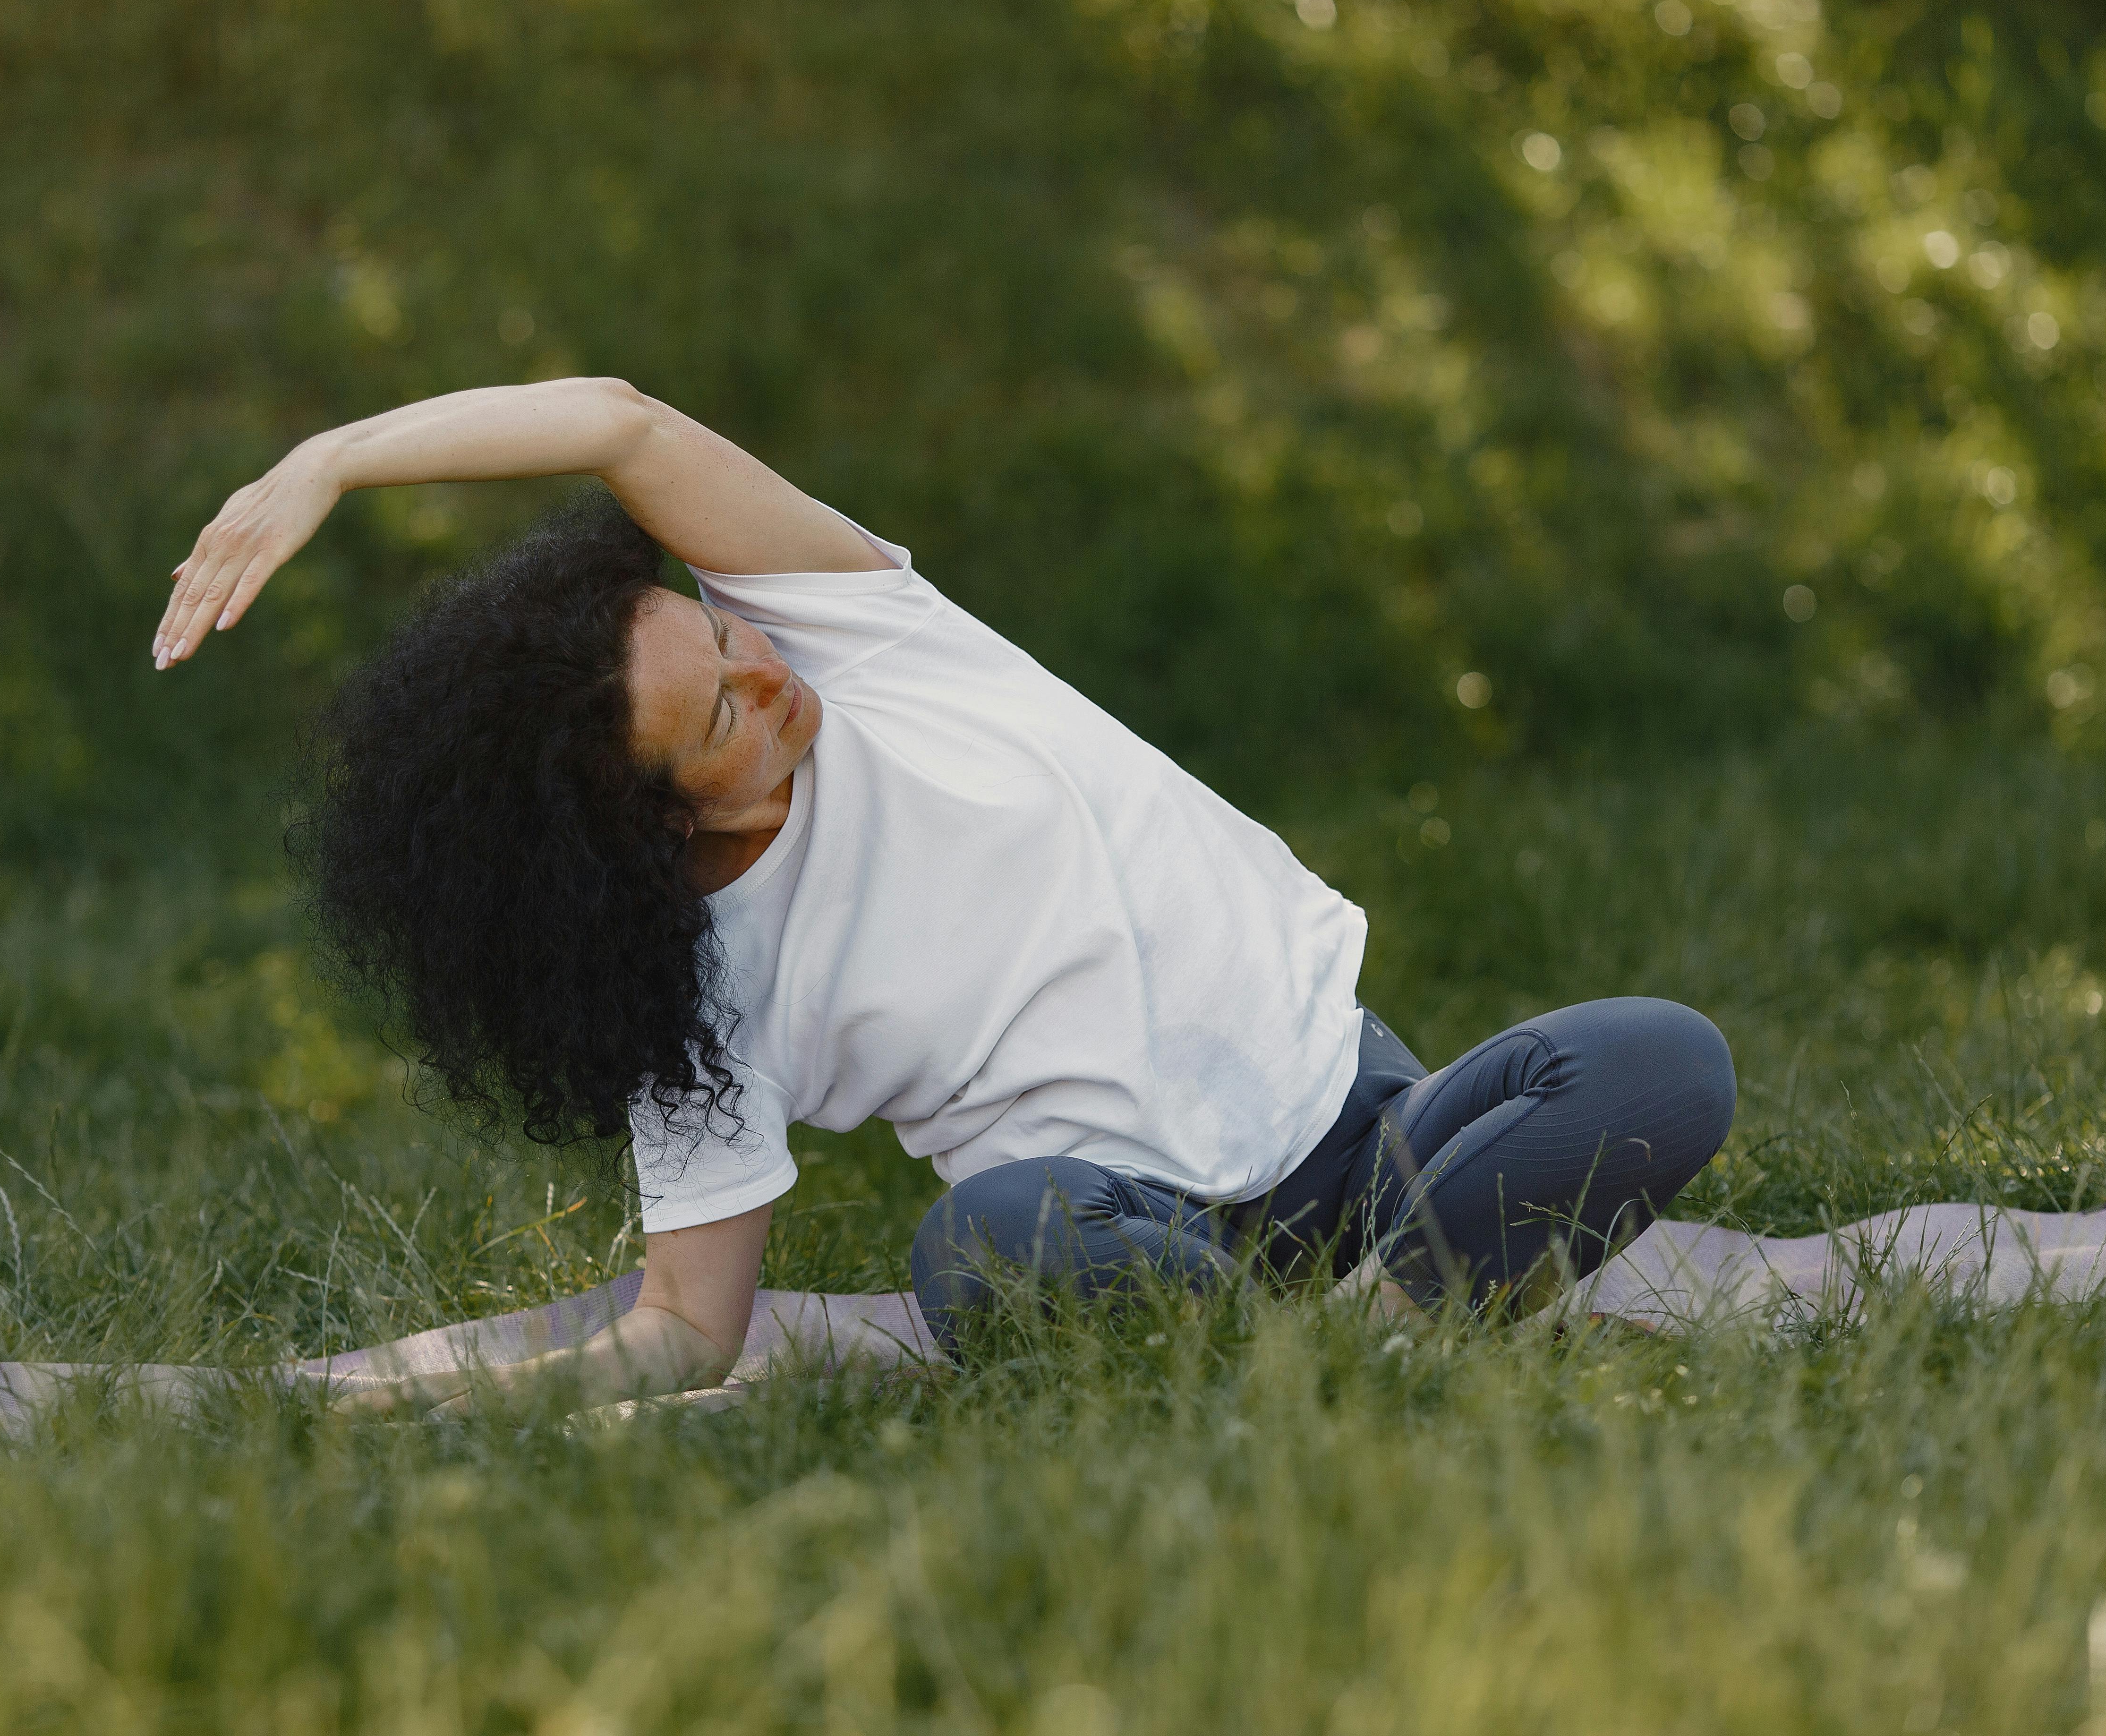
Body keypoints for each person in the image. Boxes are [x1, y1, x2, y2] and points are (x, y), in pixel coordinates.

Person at [152, 378, 1737, 1415]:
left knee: (1658, 1058)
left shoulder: (854, 630)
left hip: (1380, 1137)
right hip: (1143, 1240)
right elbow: (687, 1331)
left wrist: (334, 456)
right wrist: (378, 1397)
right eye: (719, 718)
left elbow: (622, 427)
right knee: (980, 1250)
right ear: (634, 835)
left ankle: (1360, 1351)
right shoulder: (692, 990)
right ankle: (1381, 1352)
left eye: (721, 636)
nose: (761, 673)